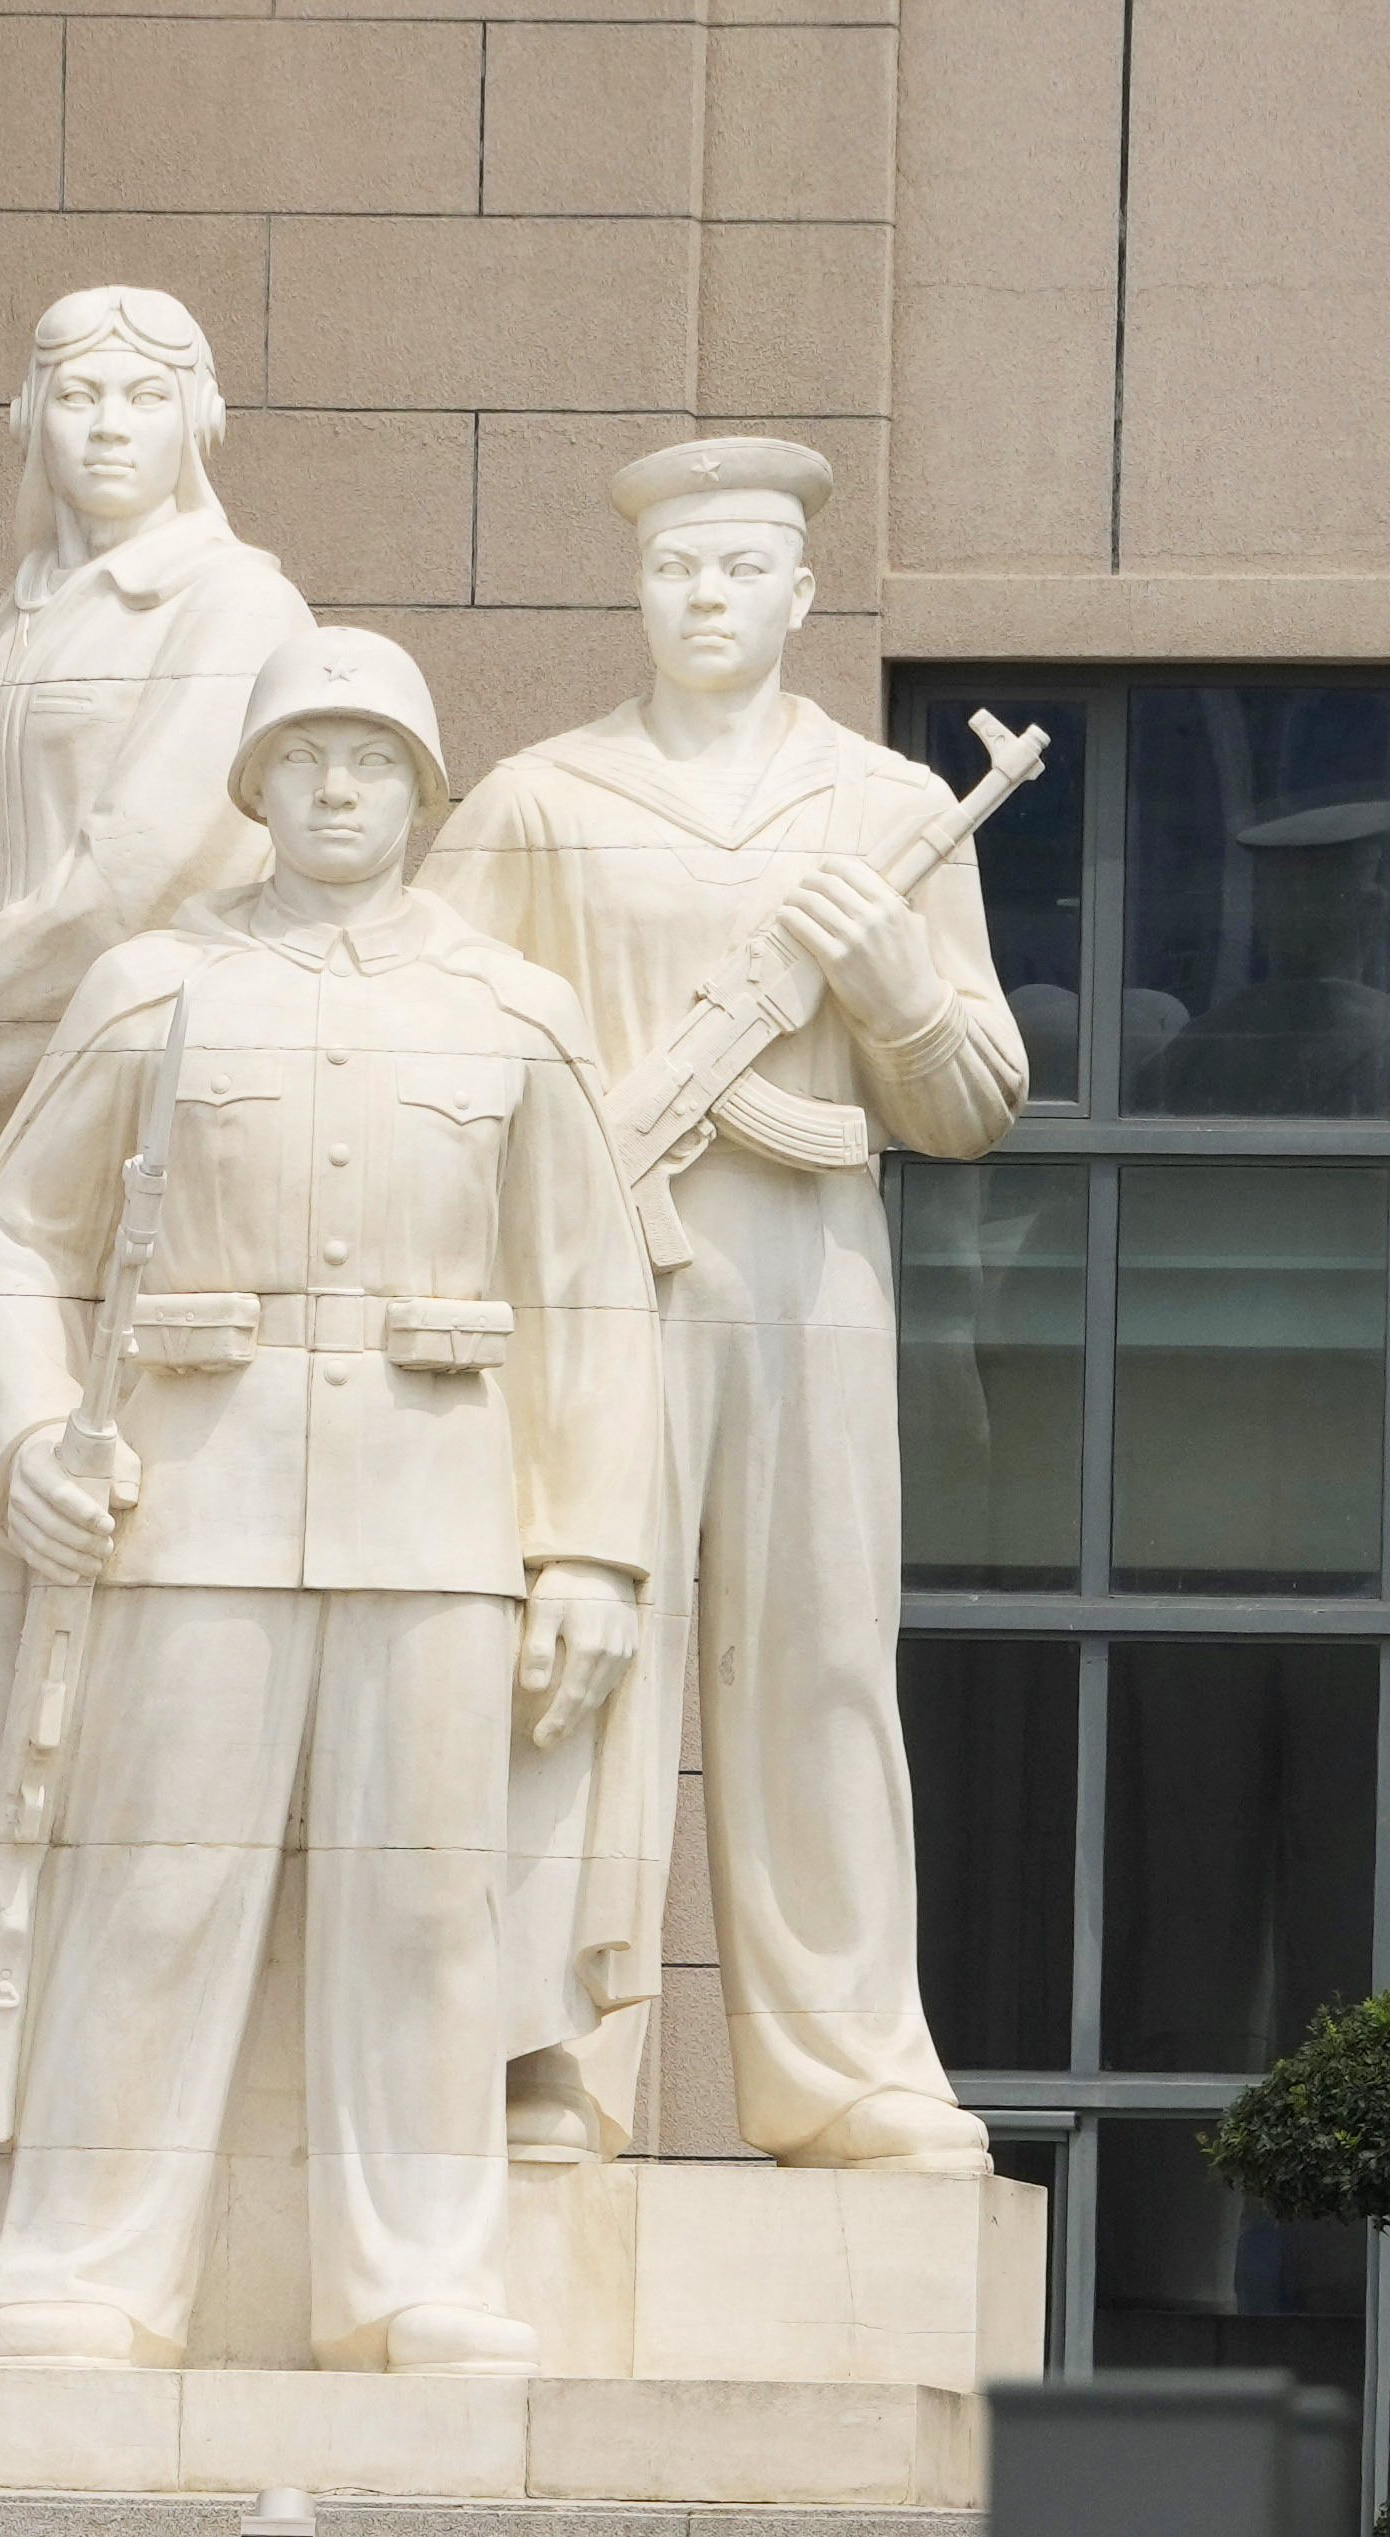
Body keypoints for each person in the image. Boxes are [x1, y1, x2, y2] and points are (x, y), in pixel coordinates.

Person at [0, 634, 665, 2371]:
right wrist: (32, 1436)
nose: (338, 789)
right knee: (152, 1890)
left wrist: (588, 1551)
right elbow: (7, 1238)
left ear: (422, 790)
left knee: (424, 1908)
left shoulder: (510, 1011)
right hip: (191, 1501)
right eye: (306, 758)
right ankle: (89, 2270)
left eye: (373, 761)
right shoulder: (153, 987)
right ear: (253, 786)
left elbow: (589, 1297)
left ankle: (416, 2273)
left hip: (438, 1516)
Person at [418, 436, 1019, 2174]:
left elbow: (970, 1098)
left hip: (807, 1275)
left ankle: (839, 2064)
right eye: (674, 570)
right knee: (572, 1665)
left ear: (799, 596)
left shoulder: (894, 812)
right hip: (598, 1284)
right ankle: (549, 2059)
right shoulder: (538, 799)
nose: (702, 599)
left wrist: (895, 985)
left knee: (816, 1661)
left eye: (737, 571)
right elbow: (437, 1033)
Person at [0, 290, 319, 2038]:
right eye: (69, 396)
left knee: (122, 1539)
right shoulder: (24, 623)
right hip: (18, 1141)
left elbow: (124, 878)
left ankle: (129, 1977)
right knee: (15, 1539)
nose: (104, 425)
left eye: (142, 392)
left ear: (199, 419)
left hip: (156, 1129)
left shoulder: (228, 603)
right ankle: (21, 1973)